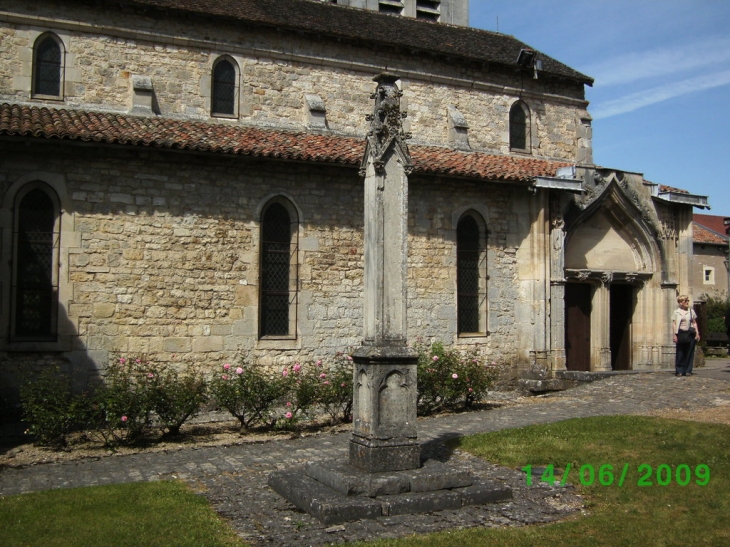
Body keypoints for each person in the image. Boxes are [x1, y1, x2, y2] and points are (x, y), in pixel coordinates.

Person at [672, 295, 700, 377]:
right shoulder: (676, 312)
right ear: (680, 303)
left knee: (689, 352)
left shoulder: (691, 311)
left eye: (688, 300)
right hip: (680, 333)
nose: (687, 302)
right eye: (685, 301)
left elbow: (694, 323)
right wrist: (674, 335)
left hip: (690, 333)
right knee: (680, 352)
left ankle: (688, 370)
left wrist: (697, 333)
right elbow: (674, 324)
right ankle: (679, 370)